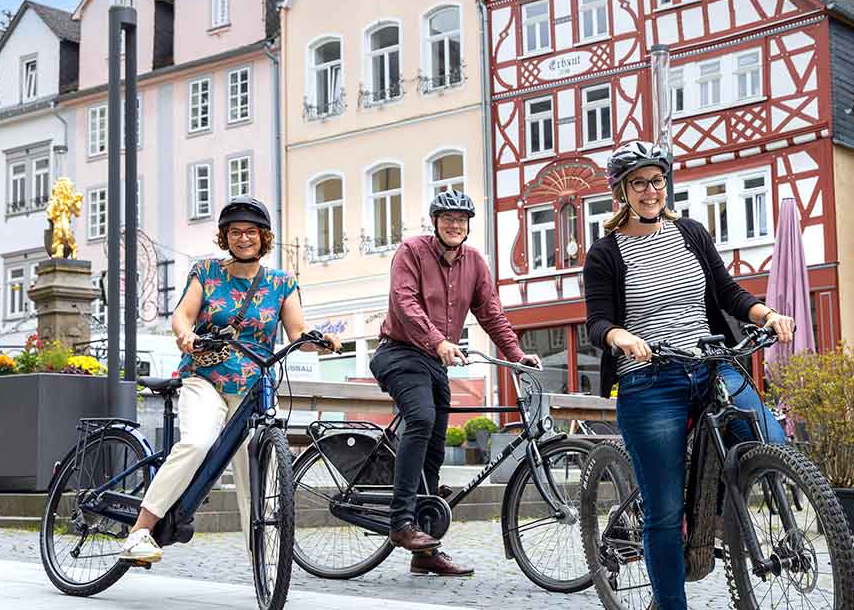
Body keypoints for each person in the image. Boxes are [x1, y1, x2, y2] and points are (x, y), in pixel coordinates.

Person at [583, 141, 795, 610]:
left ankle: (729, 522)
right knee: (662, 509)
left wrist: (766, 313)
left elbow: (728, 293)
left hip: (709, 364)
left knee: (771, 435)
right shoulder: (606, 251)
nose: (651, 191)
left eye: (657, 181)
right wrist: (621, 338)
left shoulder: (691, 233)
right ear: (621, 192)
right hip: (649, 380)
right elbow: (596, 320)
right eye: (639, 183)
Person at [121, 197, 340, 563]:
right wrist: (186, 335)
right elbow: (183, 316)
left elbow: (298, 331)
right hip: (206, 377)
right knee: (198, 442)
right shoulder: (206, 272)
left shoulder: (282, 283)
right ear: (225, 237)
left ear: (263, 237)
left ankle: (265, 561)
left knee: (257, 469)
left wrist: (322, 341)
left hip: (255, 384)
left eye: (251, 232)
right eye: (235, 232)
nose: (243, 238)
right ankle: (140, 531)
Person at [369, 190, 540, 577]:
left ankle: (426, 552)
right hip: (399, 352)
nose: (454, 224)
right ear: (435, 222)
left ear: (468, 226)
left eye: (461, 219)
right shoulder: (411, 251)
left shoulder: (475, 263)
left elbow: (491, 313)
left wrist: (516, 355)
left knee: (434, 448)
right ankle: (400, 523)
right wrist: (439, 340)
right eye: (447, 218)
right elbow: (404, 302)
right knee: (422, 420)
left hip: (434, 361)